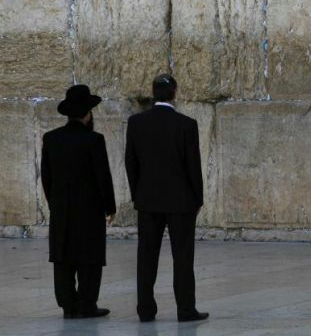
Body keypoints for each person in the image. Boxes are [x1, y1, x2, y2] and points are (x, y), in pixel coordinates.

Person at [125, 74, 208, 322]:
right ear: (174, 93)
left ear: (153, 93)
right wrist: (197, 198)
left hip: (148, 199)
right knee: (182, 256)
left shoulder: (136, 123)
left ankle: (145, 309)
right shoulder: (186, 124)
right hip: (181, 201)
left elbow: (131, 162)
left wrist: (137, 193)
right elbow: (193, 166)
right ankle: (185, 308)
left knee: (146, 256)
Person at [41, 84, 116, 318]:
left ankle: (68, 304)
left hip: (61, 208)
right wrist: (109, 207)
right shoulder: (94, 140)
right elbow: (102, 176)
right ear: (87, 113)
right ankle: (87, 304)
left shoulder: (51, 139)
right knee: (89, 258)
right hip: (89, 210)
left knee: (63, 257)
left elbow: (46, 177)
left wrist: (54, 202)